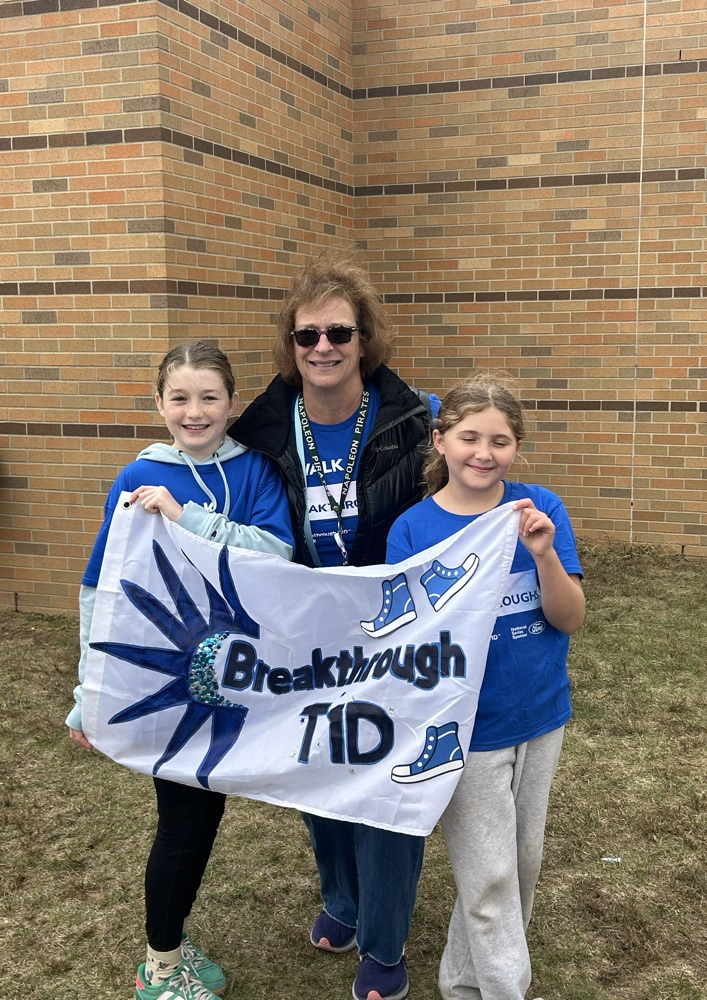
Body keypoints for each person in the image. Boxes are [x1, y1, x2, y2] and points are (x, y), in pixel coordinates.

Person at [229, 247, 438, 1000]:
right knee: (319, 773)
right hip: (302, 640)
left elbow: (463, 498)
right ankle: (343, 902)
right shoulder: (258, 431)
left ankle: (383, 941)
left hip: (396, 637)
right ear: (290, 344)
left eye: (338, 334)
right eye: (306, 335)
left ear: (364, 340)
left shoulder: (415, 425)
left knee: (385, 783)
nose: (322, 348)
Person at [67, 341, 295, 1000]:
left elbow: (275, 552)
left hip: (240, 672)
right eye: (179, 398)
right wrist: (89, 695)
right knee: (185, 817)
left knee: (207, 810)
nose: (194, 413)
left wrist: (186, 516)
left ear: (231, 402)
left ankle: (170, 941)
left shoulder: (254, 470)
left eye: (209, 398)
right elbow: (101, 588)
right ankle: (161, 963)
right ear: (158, 404)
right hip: (169, 679)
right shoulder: (134, 476)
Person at [386, 370, 586, 1000]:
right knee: (491, 874)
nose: (484, 453)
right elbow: (403, 641)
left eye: (500, 441)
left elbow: (569, 617)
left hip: (540, 714)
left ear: (516, 449)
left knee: (518, 864)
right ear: (440, 441)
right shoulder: (412, 531)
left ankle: (464, 982)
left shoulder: (539, 509)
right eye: (470, 437)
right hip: (462, 731)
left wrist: (545, 555)